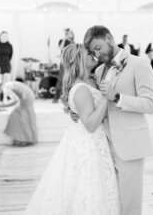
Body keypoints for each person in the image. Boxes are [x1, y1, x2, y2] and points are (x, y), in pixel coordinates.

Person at [25, 44, 120, 215]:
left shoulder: (92, 79)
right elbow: (90, 125)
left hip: (93, 141)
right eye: (88, 53)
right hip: (89, 145)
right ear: (78, 60)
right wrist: (106, 98)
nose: (93, 55)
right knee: (89, 188)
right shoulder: (81, 88)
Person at [83, 26, 153, 215]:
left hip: (130, 146)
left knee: (130, 207)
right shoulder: (99, 71)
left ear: (109, 38)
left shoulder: (139, 64)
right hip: (105, 147)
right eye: (93, 52)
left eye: (98, 48)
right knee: (113, 204)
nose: (97, 54)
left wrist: (118, 98)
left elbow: (150, 104)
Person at [0, 81, 38, 146]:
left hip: (26, 98)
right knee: (25, 117)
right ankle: (24, 139)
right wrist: (3, 105)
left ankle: (22, 139)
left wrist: (2, 106)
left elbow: (15, 100)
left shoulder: (5, 88)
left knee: (15, 116)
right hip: (29, 95)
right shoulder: (7, 85)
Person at [52, 29, 75, 103]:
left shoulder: (72, 42)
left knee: (70, 78)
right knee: (61, 78)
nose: (71, 34)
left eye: (72, 33)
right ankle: (56, 97)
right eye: (70, 33)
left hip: (71, 62)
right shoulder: (62, 41)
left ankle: (67, 97)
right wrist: (65, 38)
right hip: (63, 62)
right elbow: (61, 48)